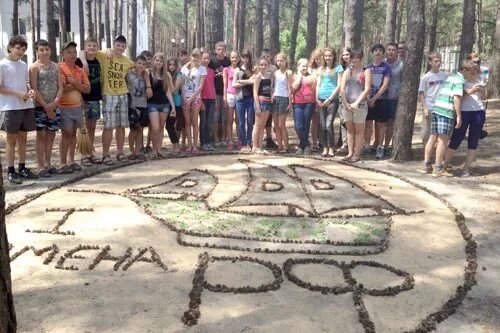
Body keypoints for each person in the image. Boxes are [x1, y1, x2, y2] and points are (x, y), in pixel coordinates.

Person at [79, 35, 138, 165]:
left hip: (123, 94)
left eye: (123, 46)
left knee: (121, 126)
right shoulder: (104, 55)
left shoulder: (127, 61)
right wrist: (84, 61)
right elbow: (84, 51)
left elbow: (138, 67)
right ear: (114, 45)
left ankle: (120, 152)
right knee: (108, 126)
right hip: (109, 94)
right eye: (118, 45)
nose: (120, 48)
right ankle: (106, 155)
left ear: (125, 47)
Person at [423, 60, 475, 177]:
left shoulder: (451, 77)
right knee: (443, 140)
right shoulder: (459, 81)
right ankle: (438, 168)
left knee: (433, 137)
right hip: (445, 112)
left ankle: (426, 165)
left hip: (437, 109)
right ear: (464, 70)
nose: (471, 75)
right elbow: (456, 99)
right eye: (470, 72)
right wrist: (459, 116)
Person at [0, 35, 38, 184]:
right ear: (10, 47)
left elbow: (25, 83)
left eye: (23, 49)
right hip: (9, 107)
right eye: (18, 48)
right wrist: (18, 93)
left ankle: (22, 167)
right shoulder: (2, 65)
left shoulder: (23, 65)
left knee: (23, 138)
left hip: (25, 105)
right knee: (11, 140)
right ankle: (11, 170)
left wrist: (30, 91)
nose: (20, 51)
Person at [443, 62, 487, 177]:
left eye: (475, 70)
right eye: (471, 70)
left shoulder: (481, 79)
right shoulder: (462, 80)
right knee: (456, 138)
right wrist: (470, 91)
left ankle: (466, 169)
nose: (473, 73)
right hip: (464, 111)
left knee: (473, 141)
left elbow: (485, 97)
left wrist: (481, 90)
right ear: (466, 70)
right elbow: (458, 97)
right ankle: (444, 165)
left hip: (478, 112)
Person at [29, 39, 63, 177]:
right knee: (41, 136)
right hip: (40, 107)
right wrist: (45, 106)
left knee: (51, 135)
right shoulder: (34, 67)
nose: (44, 52)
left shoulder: (56, 66)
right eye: (41, 50)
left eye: (47, 49)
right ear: (37, 51)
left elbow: (60, 86)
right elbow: (34, 88)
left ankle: (48, 163)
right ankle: (40, 165)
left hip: (55, 106)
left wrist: (54, 103)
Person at [58, 41, 90, 174]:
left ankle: (71, 160)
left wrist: (74, 82)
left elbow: (87, 89)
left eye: (74, 52)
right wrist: (78, 85)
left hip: (77, 107)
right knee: (66, 133)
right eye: (69, 52)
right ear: (63, 54)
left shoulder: (79, 70)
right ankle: (62, 162)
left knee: (73, 134)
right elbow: (62, 88)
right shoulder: (59, 68)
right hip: (64, 106)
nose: (72, 55)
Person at [339, 49, 372, 163]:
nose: (354, 60)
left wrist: (356, 103)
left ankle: (357, 154)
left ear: (361, 58)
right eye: (352, 58)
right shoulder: (347, 71)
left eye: (356, 58)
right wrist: (345, 103)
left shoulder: (366, 71)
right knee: (349, 130)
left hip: (360, 105)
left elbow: (367, 89)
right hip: (347, 105)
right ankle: (350, 153)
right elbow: (342, 88)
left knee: (359, 130)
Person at [76, 37, 102, 165]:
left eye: (94, 46)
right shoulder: (79, 62)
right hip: (83, 99)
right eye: (89, 45)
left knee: (92, 127)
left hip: (95, 98)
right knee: (83, 128)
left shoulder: (98, 61)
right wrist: (80, 98)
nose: (91, 48)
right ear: (85, 47)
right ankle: (83, 155)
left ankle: (90, 152)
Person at [147, 52, 176, 159]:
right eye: (156, 60)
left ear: (163, 63)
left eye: (160, 61)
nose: (158, 62)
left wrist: (172, 106)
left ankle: (159, 149)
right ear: (153, 61)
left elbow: (168, 91)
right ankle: (154, 149)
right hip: (152, 104)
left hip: (164, 104)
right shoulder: (148, 73)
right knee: (155, 128)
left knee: (161, 127)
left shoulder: (166, 75)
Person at [364, 43, 391, 160]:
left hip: (382, 99)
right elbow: (364, 84)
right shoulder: (367, 67)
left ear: (383, 53)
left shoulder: (386, 67)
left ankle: (380, 147)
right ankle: (366, 146)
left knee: (380, 125)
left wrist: (374, 98)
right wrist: (368, 98)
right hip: (368, 99)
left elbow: (385, 85)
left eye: (380, 50)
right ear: (372, 53)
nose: (378, 52)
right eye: (375, 50)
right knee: (368, 124)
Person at [316, 48, 343, 157]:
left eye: (330, 56)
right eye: (326, 56)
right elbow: (318, 84)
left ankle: (331, 147)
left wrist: (330, 98)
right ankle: (325, 147)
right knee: (322, 124)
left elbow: (339, 85)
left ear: (334, 56)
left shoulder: (338, 68)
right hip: (321, 98)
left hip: (332, 99)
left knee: (328, 124)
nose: (328, 58)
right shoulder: (321, 69)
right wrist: (317, 98)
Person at [418, 52, 448, 147]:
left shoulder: (445, 76)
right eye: (436, 61)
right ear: (430, 62)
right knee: (426, 133)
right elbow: (421, 93)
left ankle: (438, 155)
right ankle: (425, 156)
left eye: (440, 61)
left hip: (442, 108)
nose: (438, 63)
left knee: (441, 134)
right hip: (430, 108)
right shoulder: (426, 77)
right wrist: (425, 108)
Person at [181, 48, 206, 154]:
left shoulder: (202, 69)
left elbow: (200, 86)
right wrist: (184, 97)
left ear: (200, 57)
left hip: (195, 98)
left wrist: (192, 98)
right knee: (187, 122)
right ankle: (189, 145)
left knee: (195, 122)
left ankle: (195, 145)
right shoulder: (185, 68)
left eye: (198, 56)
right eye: (194, 56)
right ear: (191, 56)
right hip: (185, 98)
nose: (195, 58)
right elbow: (181, 84)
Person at [292, 58, 316, 155]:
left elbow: (315, 89)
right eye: (302, 65)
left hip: (309, 103)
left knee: (306, 125)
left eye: (306, 66)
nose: (305, 67)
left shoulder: (312, 77)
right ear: (298, 66)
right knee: (298, 126)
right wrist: (299, 76)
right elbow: (293, 88)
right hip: (297, 103)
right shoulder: (294, 76)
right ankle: (306, 144)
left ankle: (302, 147)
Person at [127, 55, 149, 160]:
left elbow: (148, 93)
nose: (141, 65)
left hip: (143, 105)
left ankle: (137, 150)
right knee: (133, 129)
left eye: (143, 64)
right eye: (139, 63)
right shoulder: (129, 74)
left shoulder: (145, 76)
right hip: (133, 106)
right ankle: (131, 151)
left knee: (140, 129)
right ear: (135, 63)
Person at [208, 41, 231, 148]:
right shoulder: (211, 61)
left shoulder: (228, 61)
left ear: (225, 50)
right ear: (215, 50)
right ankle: (215, 138)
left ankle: (224, 138)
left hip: (226, 92)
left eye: (222, 49)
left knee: (225, 117)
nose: (220, 51)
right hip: (214, 92)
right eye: (218, 49)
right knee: (215, 117)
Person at [233, 49, 255, 153]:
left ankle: (249, 141)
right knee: (241, 122)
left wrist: (241, 81)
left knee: (250, 121)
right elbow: (234, 84)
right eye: (243, 57)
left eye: (247, 57)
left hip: (250, 98)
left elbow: (254, 81)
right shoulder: (237, 70)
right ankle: (243, 142)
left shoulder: (253, 69)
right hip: (240, 98)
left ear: (249, 58)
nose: (245, 59)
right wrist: (247, 82)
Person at [383, 42, 403, 156]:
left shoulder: (401, 65)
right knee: (380, 123)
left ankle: (387, 146)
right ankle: (378, 144)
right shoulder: (382, 63)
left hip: (394, 98)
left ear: (397, 52)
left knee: (391, 122)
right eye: (389, 49)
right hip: (381, 97)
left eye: (393, 50)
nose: (391, 52)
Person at [272, 52, 293, 153]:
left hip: (284, 98)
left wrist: (290, 102)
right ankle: (279, 146)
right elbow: (274, 86)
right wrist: (272, 95)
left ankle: (286, 146)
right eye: (278, 61)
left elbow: (289, 88)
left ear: (285, 61)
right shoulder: (276, 73)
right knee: (276, 125)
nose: (279, 63)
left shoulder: (288, 72)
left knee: (281, 125)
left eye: (281, 61)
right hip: (275, 98)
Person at [252, 56, 273, 154]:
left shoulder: (268, 76)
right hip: (260, 102)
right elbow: (255, 92)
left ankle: (260, 146)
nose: (263, 66)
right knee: (257, 125)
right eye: (261, 65)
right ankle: (254, 146)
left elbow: (270, 89)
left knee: (263, 125)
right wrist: (257, 106)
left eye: (265, 65)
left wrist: (272, 97)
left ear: (268, 66)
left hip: (268, 102)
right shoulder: (258, 76)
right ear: (258, 66)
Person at [261, 49, 279, 149]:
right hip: (262, 96)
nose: (266, 58)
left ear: (271, 57)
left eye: (268, 56)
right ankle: (263, 138)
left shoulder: (274, 68)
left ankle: (271, 139)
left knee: (272, 118)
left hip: (273, 95)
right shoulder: (259, 67)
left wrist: (274, 93)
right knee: (263, 119)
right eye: (264, 56)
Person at [223, 51, 241, 150]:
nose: (234, 59)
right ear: (230, 58)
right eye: (232, 57)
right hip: (230, 95)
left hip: (239, 95)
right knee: (230, 120)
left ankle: (239, 140)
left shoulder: (240, 69)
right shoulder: (226, 69)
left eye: (236, 57)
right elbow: (225, 84)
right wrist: (224, 97)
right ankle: (229, 140)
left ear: (238, 58)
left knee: (238, 120)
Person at [200, 50, 216, 151]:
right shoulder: (199, 70)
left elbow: (212, 85)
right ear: (201, 59)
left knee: (209, 122)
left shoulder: (211, 71)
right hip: (202, 99)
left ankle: (208, 142)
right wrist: (200, 100)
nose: (206, 60)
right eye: (204, 58)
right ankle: (203, 142)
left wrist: (214, 98)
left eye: (208, 58)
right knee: (203, 121)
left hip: (211, 99)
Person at [166, 57, 182, 154]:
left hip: (176, 103)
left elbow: (174, 91)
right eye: (170, 64)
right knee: (169, 126)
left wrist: (169, 78)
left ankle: (176, 146)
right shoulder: (165, 75)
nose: (171, 67)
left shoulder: (179, 75)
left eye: (173, 65)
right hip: (166, 103)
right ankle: (176, 145)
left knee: (174, 125)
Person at [308, 48, 323, 152]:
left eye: (320, 59)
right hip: (312, 97)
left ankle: (322, 142)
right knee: (314, 121)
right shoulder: (310, 70)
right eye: (316, 59)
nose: (318, 61)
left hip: (325, 96)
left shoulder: (329, 69)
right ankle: (314, 143)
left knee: (324, 122)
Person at [337, 46, 352, 153]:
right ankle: (345, 143)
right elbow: (339, 82)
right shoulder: (339, 67)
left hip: (354, 96)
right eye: (344, 54)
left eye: (347, 54)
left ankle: (353, 143)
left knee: (353, 121)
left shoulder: (355, 65)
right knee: (343, 121)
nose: (346, 56)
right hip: (343, 96)